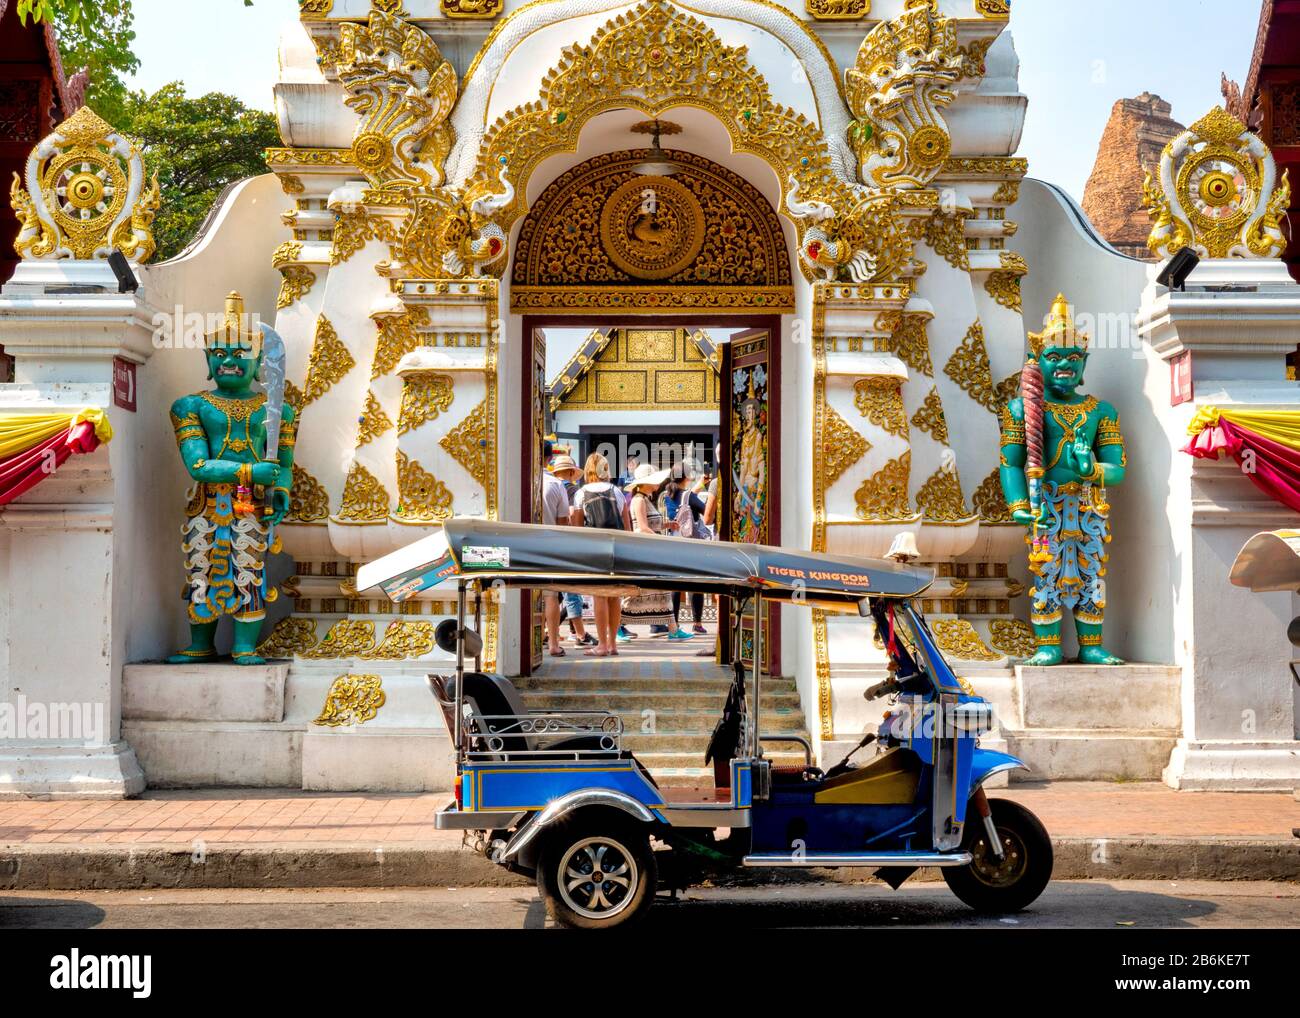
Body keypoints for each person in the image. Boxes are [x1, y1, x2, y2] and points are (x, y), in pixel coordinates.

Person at [570, 453, 628, 656]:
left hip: (595, 549)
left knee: (599, 596)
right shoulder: (617, 492)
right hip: (618, 549)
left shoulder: (581, 493)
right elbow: (627, 526)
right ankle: (613, 644)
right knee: (615, 597)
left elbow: (577, 528)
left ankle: (602, 644)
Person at [621, 463, 681, 637]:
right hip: (644, 550)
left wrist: (667, 524)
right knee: (640, 592)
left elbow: (649, 524)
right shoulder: (639, 500)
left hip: (647, 549)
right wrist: (662, 539)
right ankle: (670, 629)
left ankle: (671, 628)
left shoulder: (644, 499)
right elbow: (642, 527)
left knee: (656, 591)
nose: (658, 483)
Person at [550, 454, 596, 648]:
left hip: (544, 543)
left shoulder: (544, 485)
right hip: (566, 544)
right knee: (572, 591)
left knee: (552, 593)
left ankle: (550, 631)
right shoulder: (570, 489)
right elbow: (570, 515)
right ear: (570, 472)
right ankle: (580, 633)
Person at [660, 468, 706, 637]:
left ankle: (675, 624)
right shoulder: (689, 495)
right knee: (696, 582)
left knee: (675, 585)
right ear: (686, 477)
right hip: (691, 543)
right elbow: (706, 511)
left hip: (673, 542)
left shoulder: (667, 495)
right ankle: (697, 623)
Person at [540, 450, 576, 658]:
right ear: (549, 459)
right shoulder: (556, 485)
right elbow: (563, 522)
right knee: (551, 595)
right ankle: (553, 642)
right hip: (550, 545)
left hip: (520, 544)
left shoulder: (519, 480)